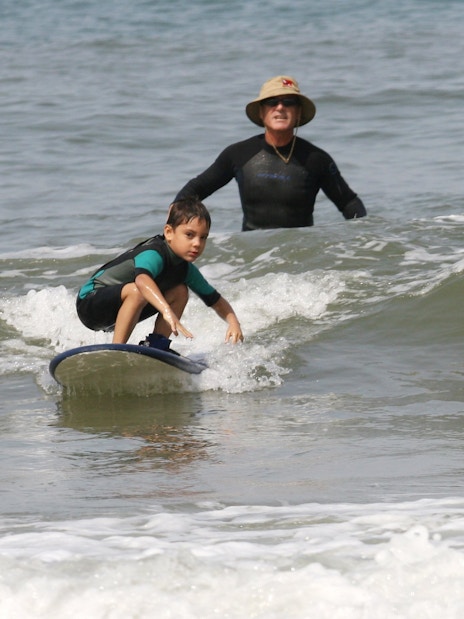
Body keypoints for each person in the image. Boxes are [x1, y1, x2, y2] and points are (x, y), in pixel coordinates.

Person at [174, 75, 366, 231]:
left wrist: (365, 242)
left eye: (288, 102)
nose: (280, 107)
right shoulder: (238, 154)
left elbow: (349, 202)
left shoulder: (316, 159)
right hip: (254, 258)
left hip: (301, 255)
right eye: (272, 102)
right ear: (261, 112)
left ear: (298, 112)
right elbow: (194, 190)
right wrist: (174, 233)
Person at [76, 198, 243, 351]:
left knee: (180, 291)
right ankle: (116, 350)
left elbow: (215, 300)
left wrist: (234, 322)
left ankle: (155, 346)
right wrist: (166, 310)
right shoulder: (154, 253)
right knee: (137, 290)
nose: (197, 243)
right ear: (169, 232)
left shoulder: (185, 269)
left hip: (118, 315)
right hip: (90, 303)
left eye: (203, 237)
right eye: (189, 235)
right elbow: (142, 280)